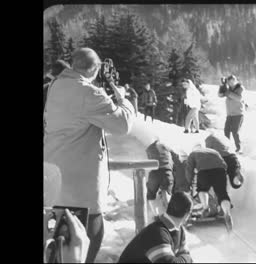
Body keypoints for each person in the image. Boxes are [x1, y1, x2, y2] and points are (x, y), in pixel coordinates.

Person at [44, 47, 135, 263]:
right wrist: (122, 98)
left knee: (58, 247)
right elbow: (122, 125)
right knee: (88, 240)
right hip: (79, 188)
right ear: (94, 69)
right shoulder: (88, 93)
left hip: (56, 182)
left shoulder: (58, 86)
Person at [118, 192, 194, 263]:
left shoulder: (179, 229)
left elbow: (185, 254)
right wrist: (187, 259)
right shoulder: (157, 233)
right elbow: (181, 259)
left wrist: (186, 258)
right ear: (187, 215)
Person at [185, 145, 233, 232]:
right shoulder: (213, 151)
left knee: (202, 189)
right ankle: (227, 212)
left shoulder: (193, 153)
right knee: (222, 194)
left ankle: (206, 207)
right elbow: (224, 165)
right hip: (220, 171)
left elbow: (189, 170)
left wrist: (189, 183)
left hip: (204, 171)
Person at [145, 140, 180, 218]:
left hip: (154, 173)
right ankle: (171, 215)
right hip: (167, 172)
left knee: (151, 194)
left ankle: (156, 215)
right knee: (167, 192)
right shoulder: (167, 147)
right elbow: (177, 158)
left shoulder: (149, 149)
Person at [218, 75, 246, 153]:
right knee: (226, 130)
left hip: (238, 114)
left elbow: (239, 98)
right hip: (229, 114)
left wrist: (228, 92)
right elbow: (220, 95)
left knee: (235, 131)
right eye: (229, 82)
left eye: (233, 81)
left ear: (236, 80)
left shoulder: (240, 88)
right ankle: (226, 147)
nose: (231, 83)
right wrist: (222, 86)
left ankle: (239, 148)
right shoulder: (228, 88)